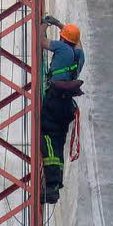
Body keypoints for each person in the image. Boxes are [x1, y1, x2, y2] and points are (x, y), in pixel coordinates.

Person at [40, 17, 85, 205]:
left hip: (54, 102)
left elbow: (41, 41)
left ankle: (51, 185)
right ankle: (55, 184)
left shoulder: (60, 47)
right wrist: (61, 26)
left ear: (63, 38)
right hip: (67, 107)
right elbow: (79, 44)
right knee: (58, 141)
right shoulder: (79, 55)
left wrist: (44, 24)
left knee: (48, 137)